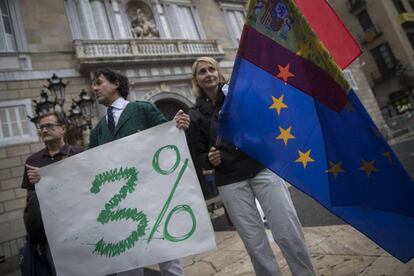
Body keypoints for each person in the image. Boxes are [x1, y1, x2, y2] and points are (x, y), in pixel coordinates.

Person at [187, 57, 316, 276]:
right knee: (254, 243)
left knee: (288, 232)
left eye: (212, 69)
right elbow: (198, 155)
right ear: (196, 80)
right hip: (229, 180)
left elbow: (269, 123)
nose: (208, 74)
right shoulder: (194, 114)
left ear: (219, 73)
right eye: (202, 72)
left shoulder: (238, 96)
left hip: (262, 167)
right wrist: (210, 159)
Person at [89, 68, 189, 276]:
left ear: (116, 84)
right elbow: (90, 166)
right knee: (128, 262)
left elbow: (168, 140)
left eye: (99, 83)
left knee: (167, 254)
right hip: (119, 205)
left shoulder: (142, 109)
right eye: (93, 84)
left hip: (152, 196)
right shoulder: (97, 131)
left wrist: (177, 126)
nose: (94, 88)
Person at [21, 112, 84, 276]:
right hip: (52, 235)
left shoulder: (80, 154)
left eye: (49, 125)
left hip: (82, 227)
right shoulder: (32, 161)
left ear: (62, 128)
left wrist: (49, 177)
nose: (44, 130)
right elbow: (30, 200)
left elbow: (90, 188)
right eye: (41, 127)